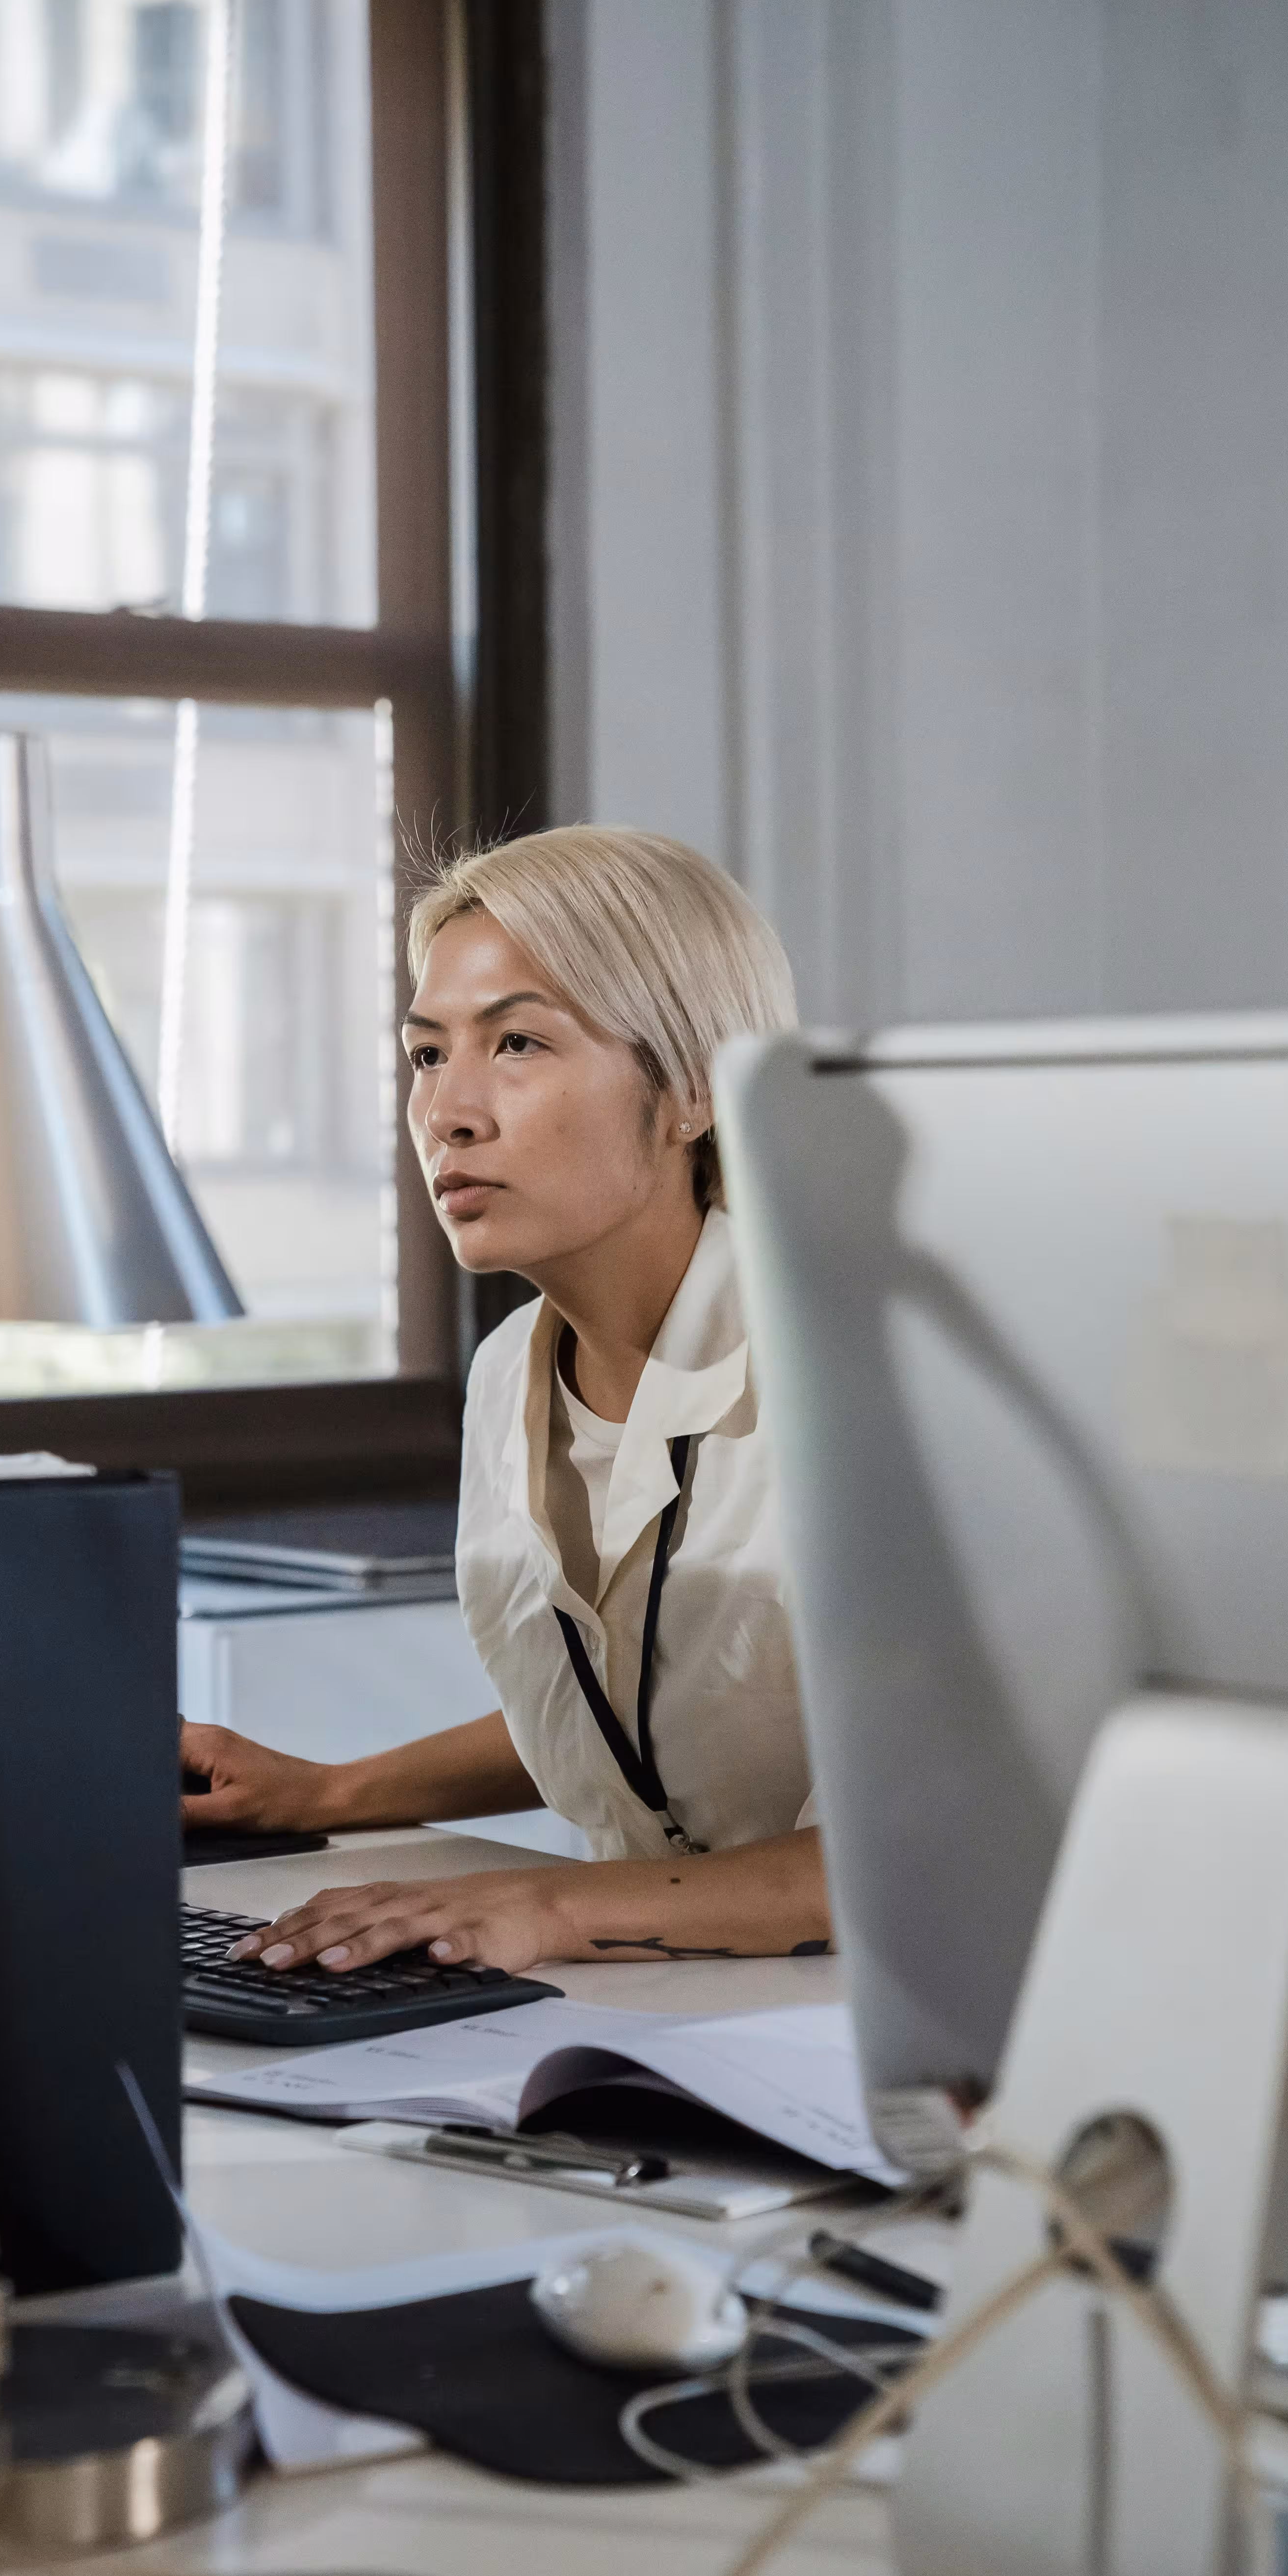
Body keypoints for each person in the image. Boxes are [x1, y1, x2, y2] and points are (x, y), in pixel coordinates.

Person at [181, 825, 829, 1974]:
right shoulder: (509, 1374)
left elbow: (926, 1849)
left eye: (517, 1043)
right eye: (428, 1055)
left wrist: (552, 1906)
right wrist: (331, 1791)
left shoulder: (850, 1384)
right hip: (658, 2007)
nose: (448, 1112)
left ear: (690, 1087)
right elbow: (648, 1713)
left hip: (858, 2032)